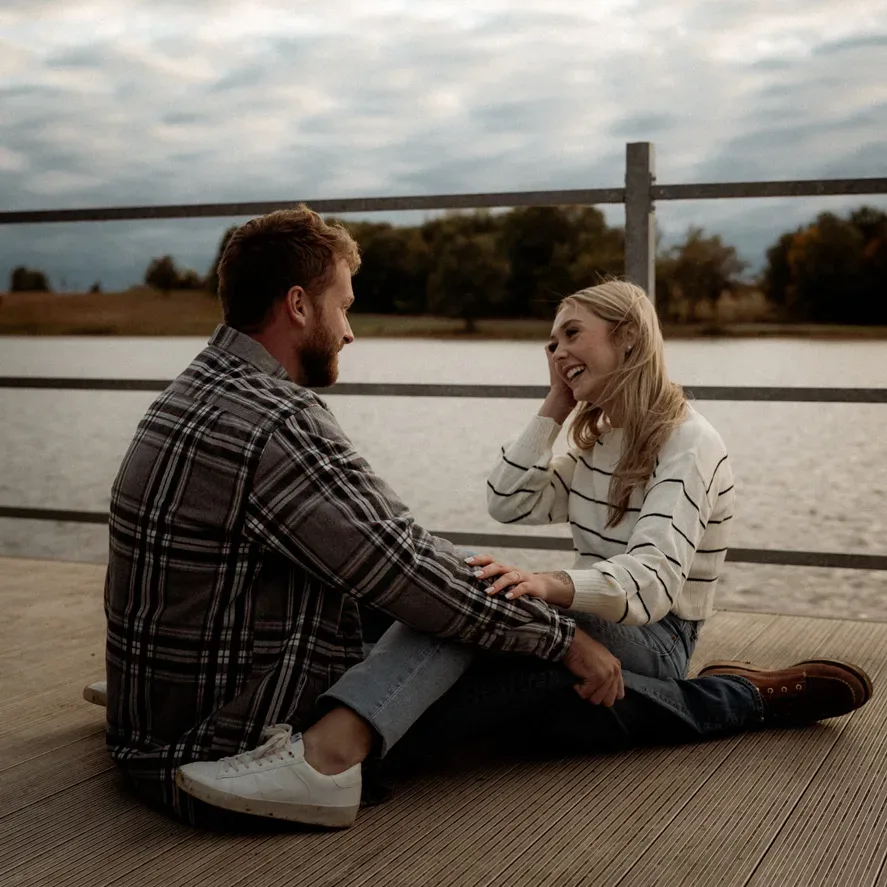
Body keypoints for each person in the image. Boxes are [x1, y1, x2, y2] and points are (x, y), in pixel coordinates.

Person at [168, 274, 872, 827]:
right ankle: (288, 718)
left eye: (572, 333)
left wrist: (546, 586)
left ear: (627, 338)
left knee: (480, 596)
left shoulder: (690, 442)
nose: (558, 350)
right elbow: (508, 500)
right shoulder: (595, 436)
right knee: (440, 622)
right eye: (550, 342)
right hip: (598, 625)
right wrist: (552, 405)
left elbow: (653, 581)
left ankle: (317, 748)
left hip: (654, 637)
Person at [104, 206, 633, 828]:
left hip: (152, 720)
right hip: (215, 744)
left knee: (462, 594)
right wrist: (562, 637)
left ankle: (718, 691)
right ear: (299, 305)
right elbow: (409, 570)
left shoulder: (193, 390)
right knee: (463, 618)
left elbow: (384, 551)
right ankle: (732, 699)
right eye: (344, 307)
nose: (350, 332)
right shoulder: (278, 422)